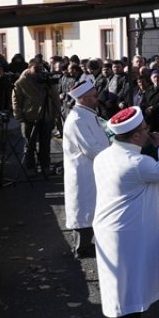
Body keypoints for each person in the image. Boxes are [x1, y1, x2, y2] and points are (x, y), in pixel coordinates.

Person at [92, 107, 159, 318]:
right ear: (135, 136)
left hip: (109, 227)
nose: (148, 133)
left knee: (115, 281)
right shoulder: (137, 162)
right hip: (128, 231)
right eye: (144, 130)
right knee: (131, 281)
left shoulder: (104, 156)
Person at [61, 80, 106, 258]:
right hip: (84, 172)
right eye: (94, 96)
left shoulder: (86, 114)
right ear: (85, 99)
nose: (98, 98)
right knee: (85, 209)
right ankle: (82, 247)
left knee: (91, 208)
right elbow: (91, 148)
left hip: (92, 170)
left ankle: (85, 245)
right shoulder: (78, 119)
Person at [12, 60, 61, 176]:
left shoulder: (46, 80)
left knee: (45, 144)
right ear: (29, 68)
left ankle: (45, 166)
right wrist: (19, 116)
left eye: (41, 69)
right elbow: (16, 101)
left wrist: (55, 114)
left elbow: (55, 98)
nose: (39, 72)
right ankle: (30, 167)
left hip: (46, 115)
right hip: (29, 117)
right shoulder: (21, 82)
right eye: (36, 69)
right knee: (30, 144)